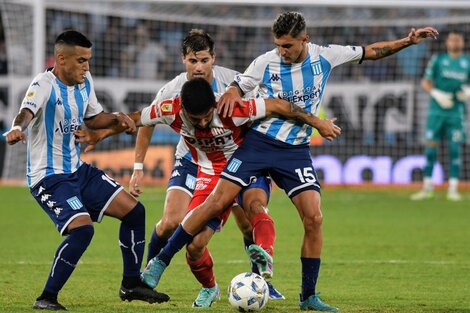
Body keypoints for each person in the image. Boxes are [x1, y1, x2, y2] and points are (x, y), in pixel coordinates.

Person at [139, 12, 438, 312]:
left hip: (295, 151)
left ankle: (307, 296)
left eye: (288, 46)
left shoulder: (326, 57)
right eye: (278, 45)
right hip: (257, 143)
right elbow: (238, 87)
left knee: (314, 218)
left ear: (304, 40)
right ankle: (161, 262)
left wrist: (407, 42)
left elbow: (371, 51)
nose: (282, 51)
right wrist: (230, 92)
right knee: (218, 201)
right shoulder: (264, 61)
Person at [76, 77, 339, 307]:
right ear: (183, 110)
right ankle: (210, 288)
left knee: (255, 209)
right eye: (195, 118)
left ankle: (264, 256)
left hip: (246, 166)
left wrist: (316, 122)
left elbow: (278, 105)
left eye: (206, 116)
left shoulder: (231, 108)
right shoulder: (171, 110)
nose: (202, 122)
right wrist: (101, 134)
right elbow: (134, 119)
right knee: (195, 245)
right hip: (210, 173)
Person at [2, 30, 169, 311]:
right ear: (61, 58)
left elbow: (94, 118)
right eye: (81, 61)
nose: (86, 67)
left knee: (134, 212)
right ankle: (46, 297)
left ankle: (131, 284)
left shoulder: (84, 81)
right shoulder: (43, 84)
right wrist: (18, 128)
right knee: (82, 231)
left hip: (78, 170)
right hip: (49, 177)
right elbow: (25, 112)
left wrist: (117, 117)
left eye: (88, 60)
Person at [128, 29, 285, 305]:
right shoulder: (172, 91)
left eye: (203, 60)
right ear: (183, 60)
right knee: (170, 223)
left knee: (247, 222)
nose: (198, 67)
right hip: (193, 159)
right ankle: (153, 273)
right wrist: (138, 165)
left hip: (237, 159)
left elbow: (267, 110)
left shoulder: (235, 83)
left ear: (214, 58)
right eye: (192, 61)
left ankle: (259, 281)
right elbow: (146, 121)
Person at [411, 31, 469, 201]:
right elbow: (425, 82)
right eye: (452, 39)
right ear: (447, 42)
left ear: (463, 42)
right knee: (430, 150)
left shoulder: (468, 62)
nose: (455, 41)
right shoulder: (438, 59)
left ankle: (453, 188)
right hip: (436, 112)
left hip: (456, 113)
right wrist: (436, 94)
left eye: (458, 38)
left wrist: (468, 92)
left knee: (455, 150)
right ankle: (427, 187)